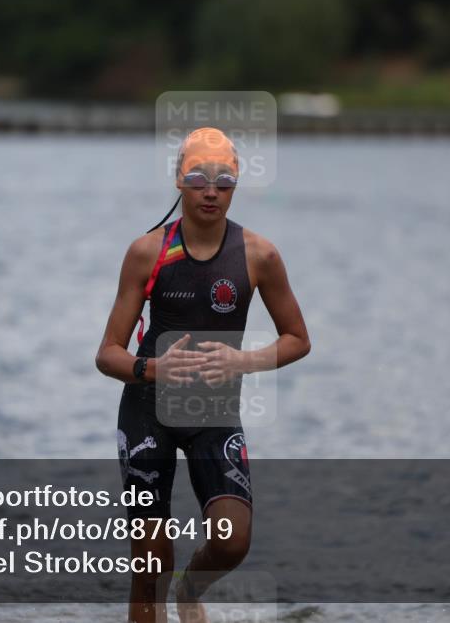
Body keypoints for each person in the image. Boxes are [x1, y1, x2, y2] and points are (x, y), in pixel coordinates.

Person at [95, 127, 310, 623]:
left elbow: (298, 338)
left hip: (214, 412)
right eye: (198, 178)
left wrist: (243, 361)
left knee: (232, 542)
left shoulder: (259, 255)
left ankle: (190, 590)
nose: (210, 191)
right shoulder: (147, 252)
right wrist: (152, 368)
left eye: (223, 180)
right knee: (150, 561)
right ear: (178, 181)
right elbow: (108, 354)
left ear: (235, 186)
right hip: (147, 411)